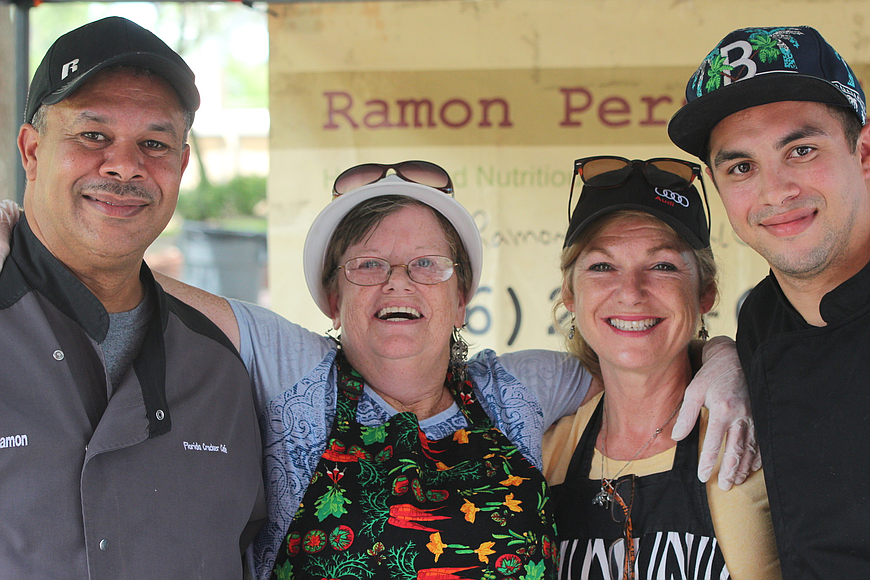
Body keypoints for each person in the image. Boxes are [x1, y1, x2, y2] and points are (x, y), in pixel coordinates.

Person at [0, 17, 266, 578]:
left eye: (154, 143)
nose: (125, 165)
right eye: (92, 135)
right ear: (31, 151)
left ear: (182, 166)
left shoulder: (222, 371)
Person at [667, 25, 870, 578]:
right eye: (741, 167)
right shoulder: (762, 316)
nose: (775, 191)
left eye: (801, 150)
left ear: (865, 152)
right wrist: (722, 353)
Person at [542, 157, 780, 579]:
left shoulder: (755, 437)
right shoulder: (540, 454)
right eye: (602, 266)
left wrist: (727, 352)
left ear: (705, 293)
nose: (631, 292)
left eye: (663, 266)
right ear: (571, 296)